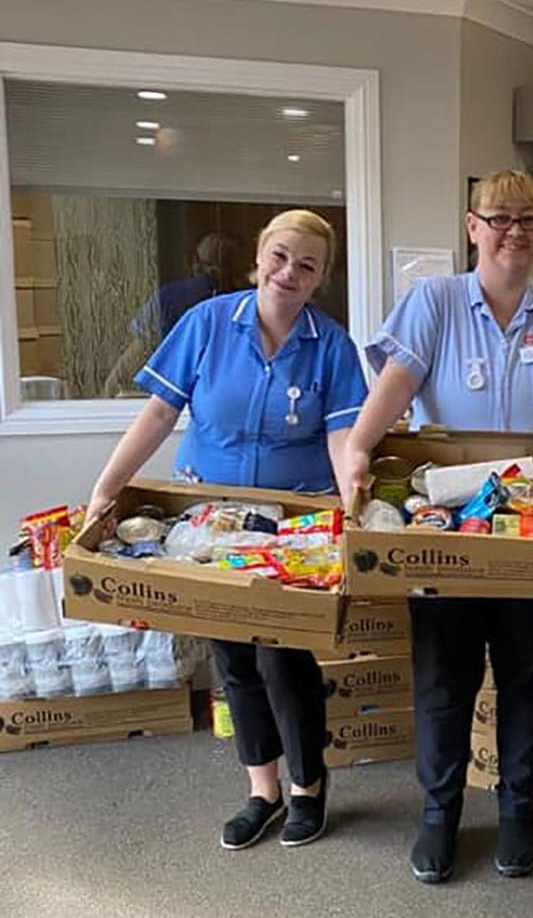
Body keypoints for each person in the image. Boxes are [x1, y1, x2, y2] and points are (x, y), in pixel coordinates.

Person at [343, 169, 533, 885]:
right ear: (471, 226)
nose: (515, 232)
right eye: (500, 218)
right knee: (443, 679)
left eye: (529, 221)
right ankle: (439, 813)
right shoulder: (435, 302)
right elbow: (400, 382)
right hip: (445, 528)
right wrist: (357, 444)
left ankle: (516, 810)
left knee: (526, 677)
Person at [85, 210, 368, 851]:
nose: (289, 272)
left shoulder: (331, 346)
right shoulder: (208, 325)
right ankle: (260, 789)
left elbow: (342, 434)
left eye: (307, 264)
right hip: (212, 525)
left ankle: (307, 787)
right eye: (280, 256)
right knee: (234, 661)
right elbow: (160, 411)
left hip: (293, 527)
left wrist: (355, 500)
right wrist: (108, 485)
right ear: (258, 257)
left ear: (322, 278)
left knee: (283, 656)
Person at [102, 232, 242, 397]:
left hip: (172, 395)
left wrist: (111, 385)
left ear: (196, 261)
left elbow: (141, 345)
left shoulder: (169, 295)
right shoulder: (246, 304)